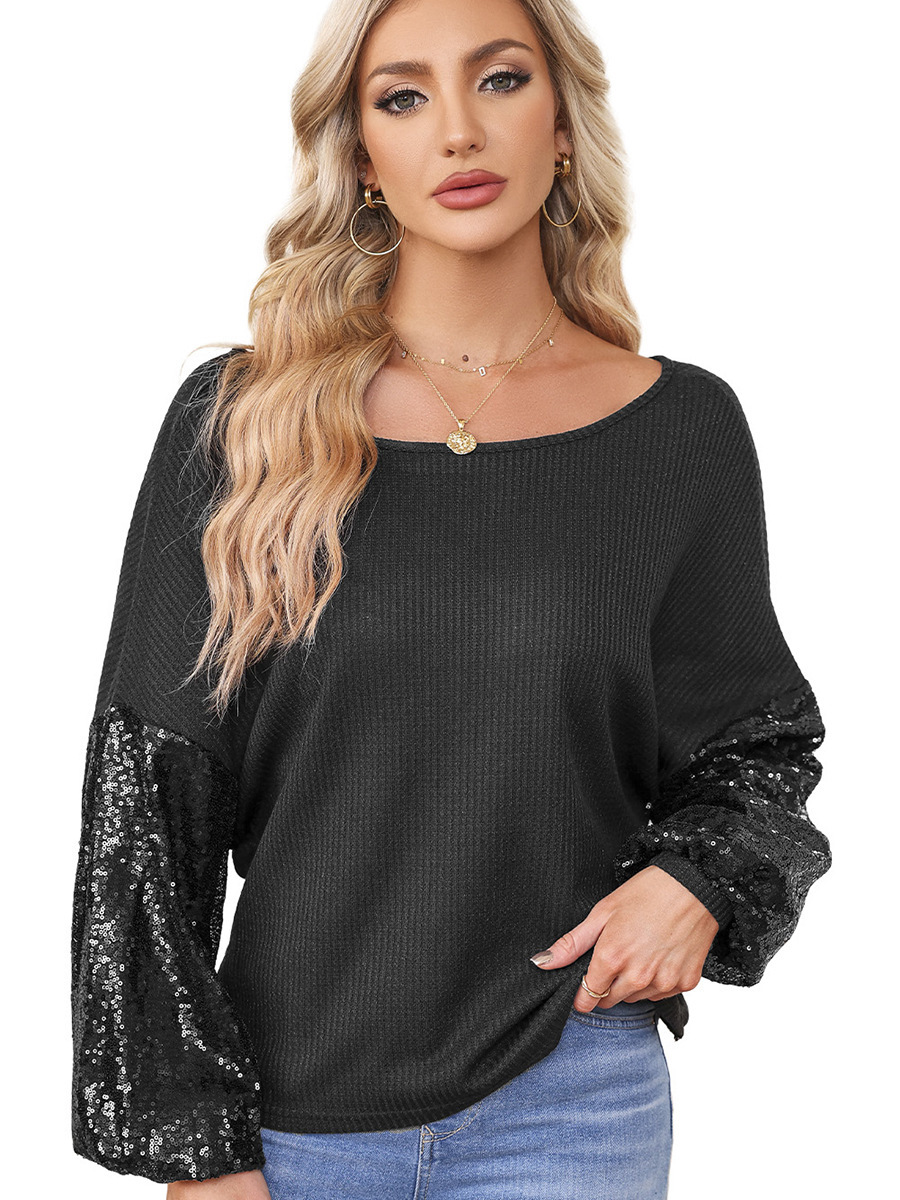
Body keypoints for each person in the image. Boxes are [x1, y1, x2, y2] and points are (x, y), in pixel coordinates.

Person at [69, 0, 832, 1196]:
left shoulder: (679, 431)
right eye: (404, 97)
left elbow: (756, 742)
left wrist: (694, 881)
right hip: (290, 1117)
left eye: (502, 80)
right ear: (363, 158)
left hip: (570, 1103)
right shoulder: (242, 423)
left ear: (564, 125)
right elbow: (146, 802)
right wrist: (194, 1146)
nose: (459, 131)